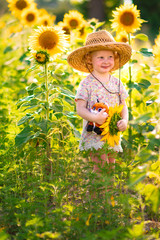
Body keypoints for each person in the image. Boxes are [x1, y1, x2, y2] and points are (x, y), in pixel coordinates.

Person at [67, 30, 132, 173]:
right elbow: (80, 109)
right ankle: (98, 194)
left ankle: (109, 194)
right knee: (100, 167)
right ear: (89, 59)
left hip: (112, 132)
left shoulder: (117, 82)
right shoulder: (87, 83)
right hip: (95, 134)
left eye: (110, 57)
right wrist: (94, 117)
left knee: (111, 166)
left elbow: (123, 106)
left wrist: (125, 120)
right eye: (101, 57)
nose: (106, 61)